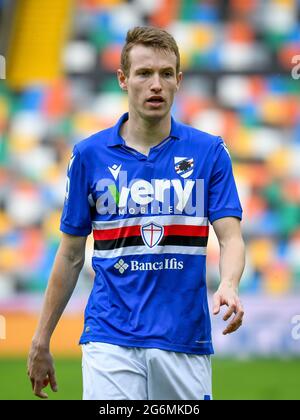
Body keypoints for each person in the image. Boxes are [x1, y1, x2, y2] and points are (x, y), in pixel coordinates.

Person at [27, 26, 245, 400]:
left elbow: (231, 237)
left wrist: (229, 283)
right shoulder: (88, 155)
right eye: (144, 73)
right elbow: (70, 254)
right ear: (123, 80)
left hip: (184, 338)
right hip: (109, 336)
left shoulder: (209, 152)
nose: (155, 84)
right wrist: (41, 338)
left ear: (178, 80)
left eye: (165, 74)